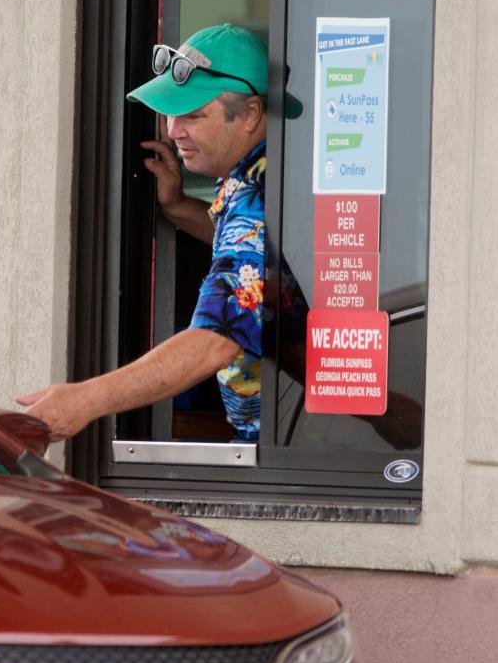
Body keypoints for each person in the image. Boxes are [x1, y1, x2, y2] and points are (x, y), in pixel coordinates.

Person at [17, 23, 301, 444]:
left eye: (192, 114)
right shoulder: (259, 174)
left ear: (250, 115)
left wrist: (84, 401)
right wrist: (178, 207)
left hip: (285, 455)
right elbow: (259, 255)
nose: (172, 130)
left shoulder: (256, 196)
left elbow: (214, 340)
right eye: (171, 113)